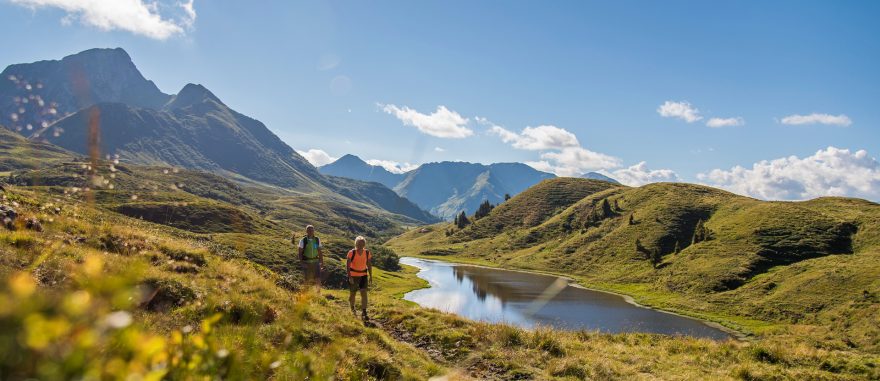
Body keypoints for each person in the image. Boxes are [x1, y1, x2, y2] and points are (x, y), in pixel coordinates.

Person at [346, 236, 373, 320]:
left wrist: (371, 275)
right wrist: (350, 276)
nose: (360, 245)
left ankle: (364, 311)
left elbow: (369, 264)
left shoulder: (367, 253)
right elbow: (347, 265)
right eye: (358, 243)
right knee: (352, 293)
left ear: (364, 244)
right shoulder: (351, 252)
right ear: (356, 244)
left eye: (362, 243)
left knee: (364, 293)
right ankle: (352, 308)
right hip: (353, 275)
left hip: (363, 275)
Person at [296, 225, 324, 292]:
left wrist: (321, 262)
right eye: (309, 230)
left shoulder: (317, 239)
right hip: (306, 262)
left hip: (316, 262)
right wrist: (302, 263)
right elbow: (300, 253)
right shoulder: (303, 240)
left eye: (312, 230)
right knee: (307, 279)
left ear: (314, 231)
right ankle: (306, 293)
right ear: (306, 231)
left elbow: (319, 251)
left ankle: (318, 293)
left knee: (318, 278)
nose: (311, 232)